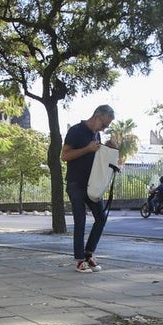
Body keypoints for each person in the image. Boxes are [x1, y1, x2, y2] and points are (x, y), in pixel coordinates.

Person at [61, 104, 116, 273]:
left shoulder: (96, 135)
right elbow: (64, 156)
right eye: (104, 124)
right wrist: (87, 149)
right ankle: (80, 260)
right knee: (80, 220)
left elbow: (96, 158)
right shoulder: (76, 130)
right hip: (76, 183)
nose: (104, 129)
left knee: (101, 217)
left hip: (92, 184)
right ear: (97, 117)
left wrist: (107, 149)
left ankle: (88, 254)